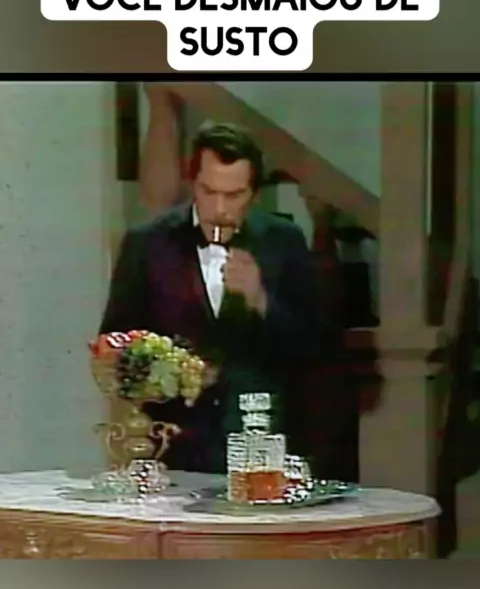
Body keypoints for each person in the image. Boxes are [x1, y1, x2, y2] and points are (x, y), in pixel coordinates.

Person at [99, 121, 331, 474]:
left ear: (254, 194)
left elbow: (316, 348)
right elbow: (115, 344)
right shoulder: (147, 244)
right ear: (192, 182)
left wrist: (261, 301)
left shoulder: (283, 242)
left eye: (234, 195)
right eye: (209, 191)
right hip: (173, 447)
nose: (219, 208)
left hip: (260, 447)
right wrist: (174, 372)